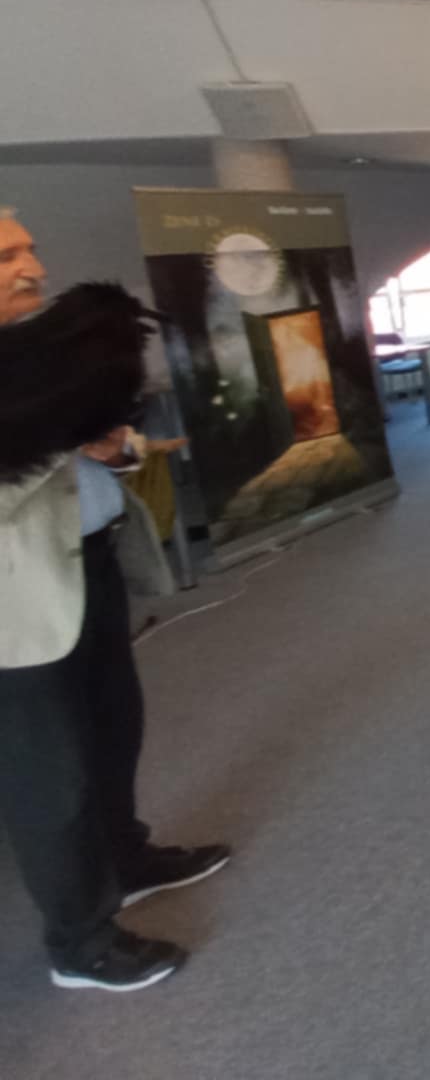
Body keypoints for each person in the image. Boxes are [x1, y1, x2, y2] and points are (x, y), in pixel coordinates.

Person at [0, 211, 231, 992]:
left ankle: (125, 860)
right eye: (7, 255)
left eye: (31, 247)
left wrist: (115, 444)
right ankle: (79, 944)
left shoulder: (42, 350)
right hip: (16, 610)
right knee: (51, 777)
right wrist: (59, 433)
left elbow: (108, 447)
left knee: (112, 732)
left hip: (90, 568)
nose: (34, 267)